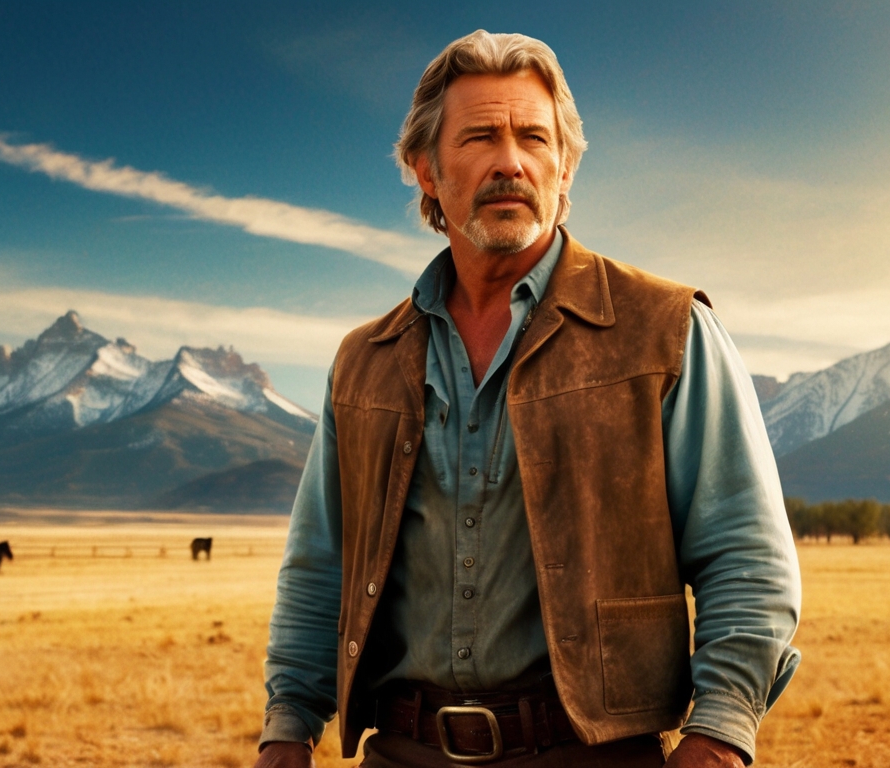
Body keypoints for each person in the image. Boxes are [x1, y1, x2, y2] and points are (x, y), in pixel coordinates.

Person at [255, 30, 800, 768]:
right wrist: (288, 724)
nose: (511, 161)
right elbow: (321, 561)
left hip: (591, 754)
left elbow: (746, 553)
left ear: (564, 166)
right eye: (480, 136)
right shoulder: (365, 361)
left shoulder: (665, 331)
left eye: (534, 138)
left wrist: (719, 732)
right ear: (425, 168)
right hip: (401, 750)